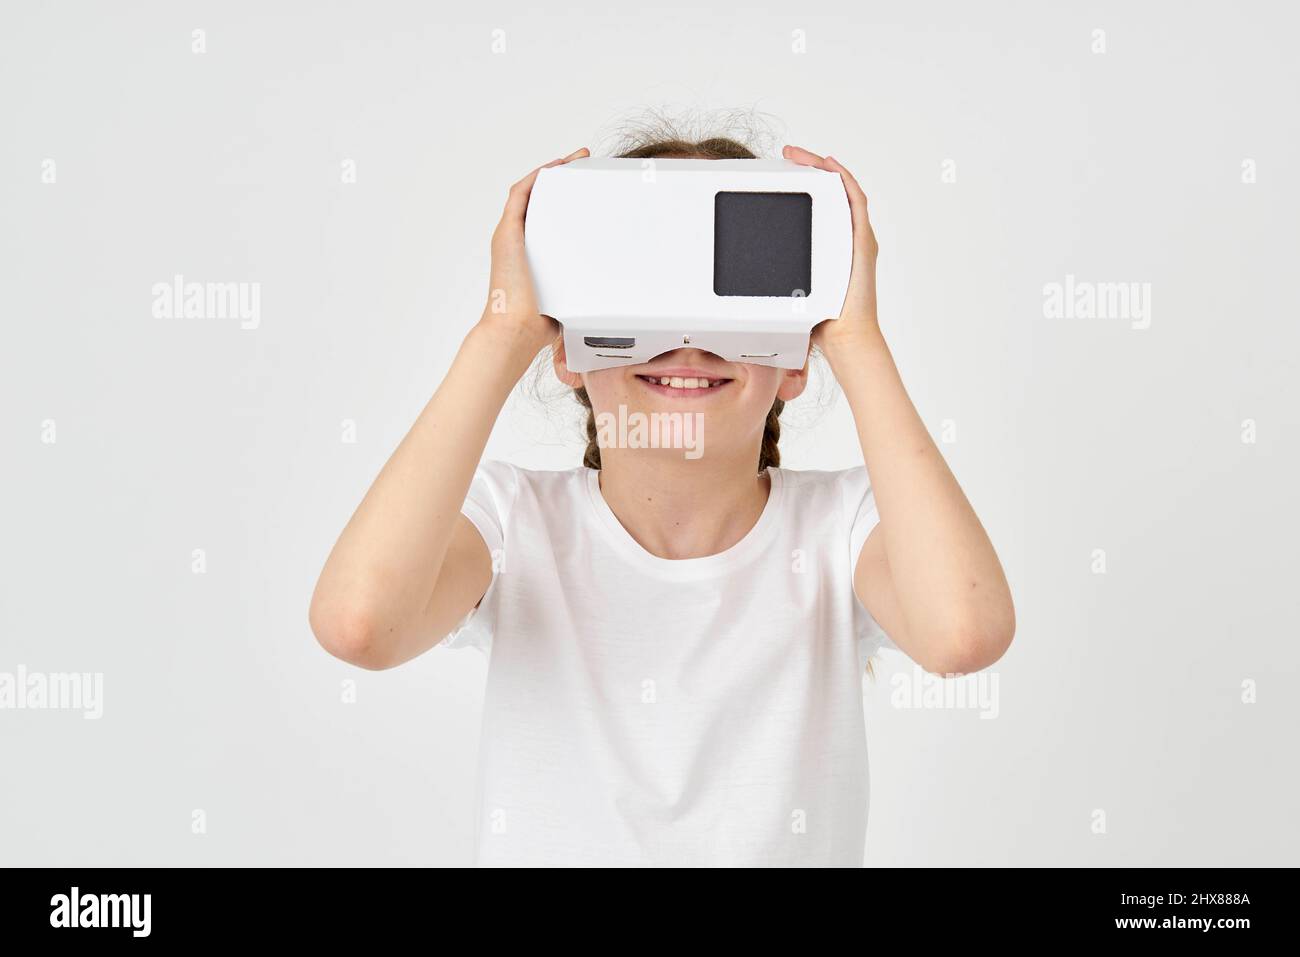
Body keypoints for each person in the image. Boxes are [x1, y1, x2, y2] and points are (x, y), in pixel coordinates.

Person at [309, 131, 1015, 866]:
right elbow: (360, 624)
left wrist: (859, 340)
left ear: (798, 360)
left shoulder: (845, 528)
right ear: (568, 351)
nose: (686, 339)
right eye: (642, 281)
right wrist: (501, 331)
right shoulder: (516, 522)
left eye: (725, 288)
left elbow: (962, 634)